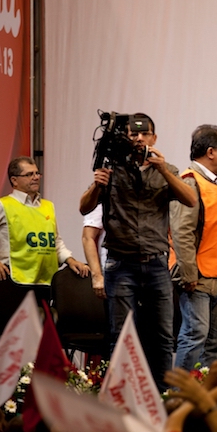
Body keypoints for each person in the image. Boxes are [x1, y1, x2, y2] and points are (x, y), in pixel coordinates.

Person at [79, 113, 198, 390]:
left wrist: (164, 170)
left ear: (154, 138)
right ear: (126, 137)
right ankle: (119, 397)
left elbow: (191, 200)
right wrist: (97, 185)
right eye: (134, 134)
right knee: (120, 337)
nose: (140, 139)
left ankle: (161, 398)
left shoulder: (166, 169)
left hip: (156, 264)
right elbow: (84, 207)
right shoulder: (112, 168)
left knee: (163, 337)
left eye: (145, 134)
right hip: (121, 265)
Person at [170, 125, 217, 370]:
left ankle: (209, 389)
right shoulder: (190, 182)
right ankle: (180, 390)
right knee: (195, 334)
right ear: (211, 152)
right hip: (198, 276)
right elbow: (182, 232)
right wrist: (188, 273)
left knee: (216, 342)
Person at [0, 156, 88, 290]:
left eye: (37, 173)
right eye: (29, 174)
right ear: (14, 180)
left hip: (46, 282)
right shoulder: (2, 205)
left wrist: (71, 260)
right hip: (12, 280)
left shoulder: (48, 206)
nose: (36, 177)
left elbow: (55, 242)